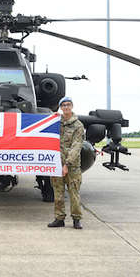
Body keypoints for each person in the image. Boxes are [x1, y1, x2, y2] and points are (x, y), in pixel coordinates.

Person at [47, 96, 85, 229]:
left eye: (68, 104)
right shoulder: (56, 122)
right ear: (60, 107)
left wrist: (67, 164)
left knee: (74, 193)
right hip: (56, 163)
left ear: (72, 106)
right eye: (63, 105)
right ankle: (59, 218)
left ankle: (76, 219)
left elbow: (76, 146)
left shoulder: (78, 125)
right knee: (58, 193)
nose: (66, 107)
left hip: (72, 166)